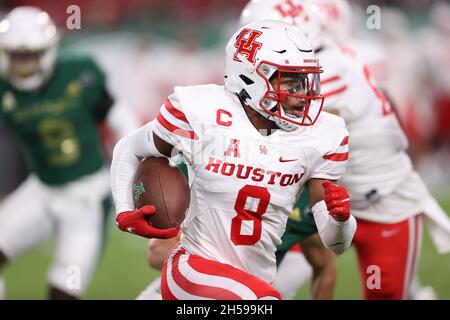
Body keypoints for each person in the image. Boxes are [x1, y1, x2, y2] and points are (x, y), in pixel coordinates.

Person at [111, 20, 357, 300]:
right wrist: (123, 210)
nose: (301, 94)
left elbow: (335, 244)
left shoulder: (322, 134)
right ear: (250, 77)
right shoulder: (201, 111)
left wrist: (340, 220)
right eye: (289, 80)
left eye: (304, 81)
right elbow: (129, 148)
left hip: (254, 280)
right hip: (193, 270)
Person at [240, 0, 450, 300]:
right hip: (324, 199)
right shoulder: (326, 58)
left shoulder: (327, 71)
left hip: (381, 202)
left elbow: (299, 136)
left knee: (385, 295)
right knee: (268, 286)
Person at [0, 6, 138, 299]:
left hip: (85, 198)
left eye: (31, 56)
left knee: (64, 291)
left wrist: (129, 170)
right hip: (41, 189)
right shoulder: (4, 88)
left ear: (48, 50)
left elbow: (124, 121)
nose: (24, 65)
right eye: (17, 57)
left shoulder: (78, 73)